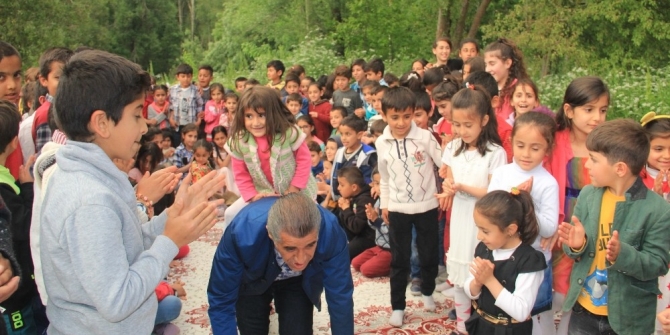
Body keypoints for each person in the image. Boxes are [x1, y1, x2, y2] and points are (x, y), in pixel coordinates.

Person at [38, 49, 225, 335]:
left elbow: (128, 244)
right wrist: (170, 241)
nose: (144, 125)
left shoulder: (96, 178)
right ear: (102, 123)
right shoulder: (90, 200)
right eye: (137, 114)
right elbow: (117, 300)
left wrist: (174, 216)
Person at [557, 119, 670, 335]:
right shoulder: (589, 194)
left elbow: (658, 263)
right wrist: (577, 245)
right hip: (584, 311)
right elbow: (575, 251)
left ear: (619, 168)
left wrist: (622, 254)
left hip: (629, 319)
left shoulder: (658, 210)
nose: (587, 165)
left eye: (594, 159)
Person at [207, 193, 354, 335]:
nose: (301, 259)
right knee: (252, 329)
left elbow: (340, 296)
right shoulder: (241, 233)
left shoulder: (330, 229)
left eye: (310, 245)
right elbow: (221, 301)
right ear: (270, 233)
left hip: (297, 281)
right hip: (251, 279)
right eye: (290, 248)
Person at [437, 85, 506, 335]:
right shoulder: (452, 149)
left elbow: (495, 193)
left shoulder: (495, 153)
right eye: (457, 125)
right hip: (460, 217)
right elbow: (449, 179)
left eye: (468, 125)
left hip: (484, 219)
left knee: (480, 271)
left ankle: (483, 322)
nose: (462, 131)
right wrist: (447, 189)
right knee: (458, 272)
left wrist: (462, 187)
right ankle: (462, 326)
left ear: (484, 120)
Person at [376, 87, 444, 327]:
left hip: (426, 207)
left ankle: (427, 291)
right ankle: (397, 306)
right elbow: (384, 178)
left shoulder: (425, 138)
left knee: (428, 254)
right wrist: (385, 203)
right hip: (398, 210)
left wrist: (448, 186)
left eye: (407, 116)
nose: (402, 122)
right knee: (399, 260)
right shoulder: (381, 143)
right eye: (395, 117)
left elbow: (443, 164)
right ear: (384, 116)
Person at [547, 76, 609, 335]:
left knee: (583, 287)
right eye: (589, 109)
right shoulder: (554, 140)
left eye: (603, 110)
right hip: (562, 223)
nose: (597, 117)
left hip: (594, 224)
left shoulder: (607, 144)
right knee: (557, 290)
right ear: (569, 110)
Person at [487, 112, 559, 335]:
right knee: (503, 309)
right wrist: (513, 196)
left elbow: (549, 228)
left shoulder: (548, 183)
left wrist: (527, 203)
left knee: (536, 317)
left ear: (547, 149)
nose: (526, 154)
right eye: (520, 145)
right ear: (511, 143)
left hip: (533, 263)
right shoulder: (501, 174)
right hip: (503, 257)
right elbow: (490, 213)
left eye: (535, 148)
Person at [224, 86, 317, 225]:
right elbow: (240, 173)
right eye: (249, 116)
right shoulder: (239, 141)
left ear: (274, 113)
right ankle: (231, 246)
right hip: (261, 193)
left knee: (311, 220)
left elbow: (304, 161)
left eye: (262, 115)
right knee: (230, 214)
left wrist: (294, 188)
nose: (256, 123)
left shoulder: (289, 133)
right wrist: (252, 196)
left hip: (297, 191)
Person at [464, 190, 547, 334]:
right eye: (478, 228)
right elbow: (470, 289)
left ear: (510, 230)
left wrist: (489, 281)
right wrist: (476, 283)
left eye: (485, 231)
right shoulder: (484, 249)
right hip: (482, 325)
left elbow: (521, 311)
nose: (479, 236)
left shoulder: (529, 260)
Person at [0, 100, 46, 334]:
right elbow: (25, 227)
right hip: (13, 298)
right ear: (13, 142)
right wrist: (29, 188)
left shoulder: (7, 179)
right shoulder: (3, 188)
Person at [639, 113, 670, 335]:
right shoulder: (635, 179)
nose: (666, 155)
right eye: (658, 149)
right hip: (647, 258)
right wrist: (655, 200)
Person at [32, 47, 74, 155]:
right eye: (58, 77)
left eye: (69, 76)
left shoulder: (71, 107)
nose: (65, 82)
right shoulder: (45, 114)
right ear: (43, 80)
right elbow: (46, 155)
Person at [352, 168, 391, 278]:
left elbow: (393, 231)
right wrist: (371, 218)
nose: (377, 188)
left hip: (391, 249)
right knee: (356, 263)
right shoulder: (379, 201)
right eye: (375, 184)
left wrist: (377, 220)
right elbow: (374, 226)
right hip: (379, 246)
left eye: (380, 184)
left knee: (366, 270)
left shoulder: (392, 203)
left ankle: (395, 265)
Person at [330, 115, 376, 200]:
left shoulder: (368, 153)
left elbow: (374, 177)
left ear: (360, 135)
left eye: (347, 134)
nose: (343, 138)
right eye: (341, 134)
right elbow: (335, 176)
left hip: (361, 199)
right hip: (342, 199)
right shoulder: (340, 152)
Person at [484, 38, 529, 120]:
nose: (487, 69)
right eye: (486, 64)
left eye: (492, 64)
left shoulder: (519, 89)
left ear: (507, 63)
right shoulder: (486, 88)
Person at [336, 166, 375, 259]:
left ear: (354, 187)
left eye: (342, 185)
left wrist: (346, 209)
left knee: (342, 256)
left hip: (368, 239)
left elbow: (356, 227)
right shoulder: (353, 198)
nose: (338, 188)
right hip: (357, 237)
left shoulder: (364, 200)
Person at [168, 63, 204, 145]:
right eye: (183, 76)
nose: (186, 79)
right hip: (178, 124)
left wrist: (198, 121)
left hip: (191, 123)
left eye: (188, 76)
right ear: (178, 77)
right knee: (178, 144)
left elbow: (200, 105)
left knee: (191, 144)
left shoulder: (195, 90)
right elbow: (171, 106)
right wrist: (171, 119)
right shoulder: (173, 90)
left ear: (191, 76)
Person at [431, 77, 461, 148]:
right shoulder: (440, 123)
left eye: (443, 106)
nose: (440, 111)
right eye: (438, 107)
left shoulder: (464, 125)